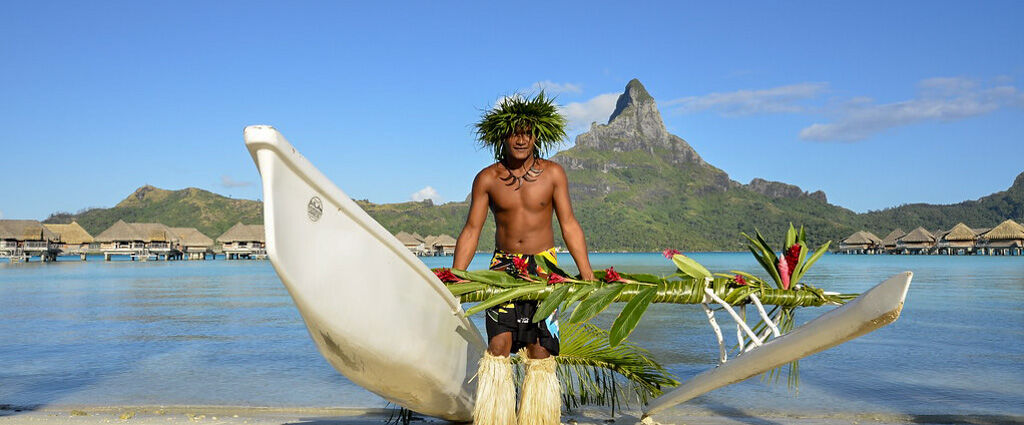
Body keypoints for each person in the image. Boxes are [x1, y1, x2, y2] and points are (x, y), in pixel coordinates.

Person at [452, 92, 595, 425]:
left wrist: (586, 272)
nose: (521, 139)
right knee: (499, 345)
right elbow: (472, 229)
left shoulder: (554, 174)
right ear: (502, 136)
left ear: (536, 136)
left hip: (546, 270)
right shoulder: (487, 178)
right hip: (503, 269)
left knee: (540, 350)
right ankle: (495, 418)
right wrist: (456, 274)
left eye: (527, 132)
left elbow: (569, 223)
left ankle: (538, 419)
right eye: (514, 132)